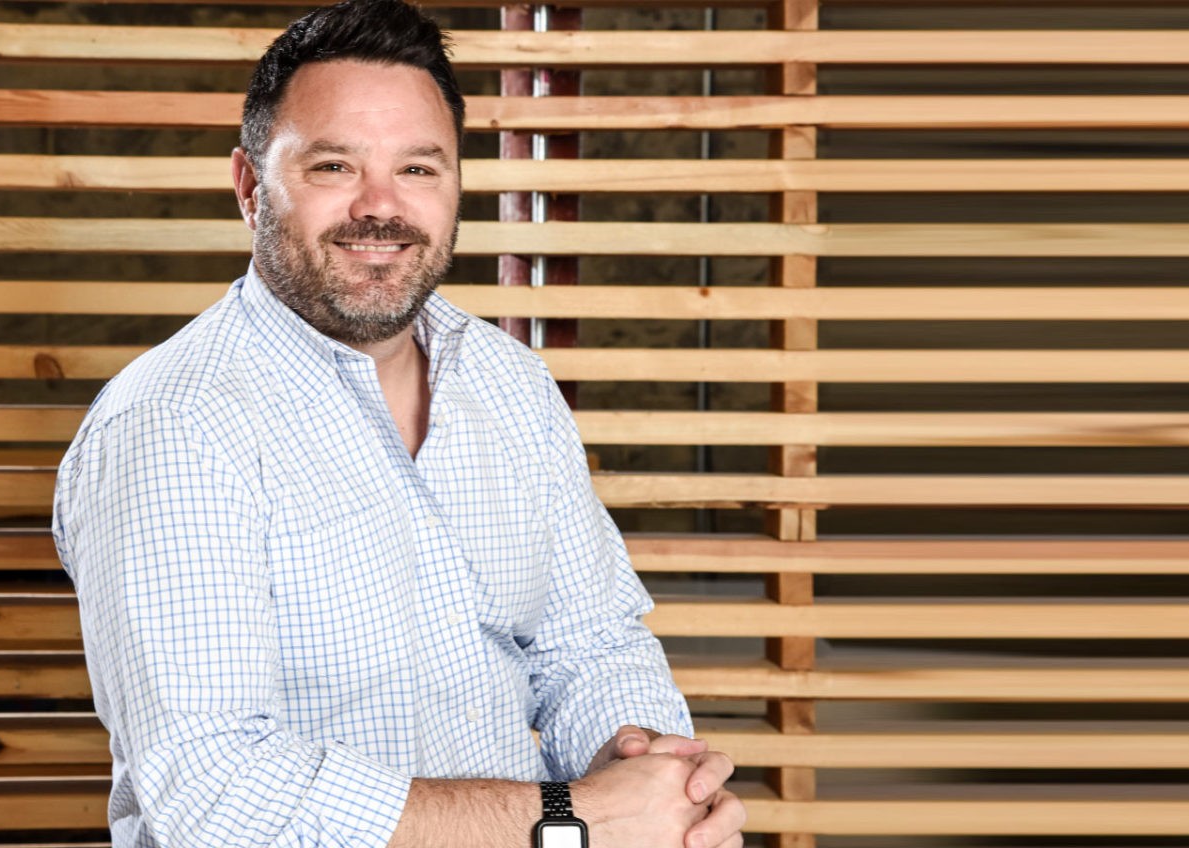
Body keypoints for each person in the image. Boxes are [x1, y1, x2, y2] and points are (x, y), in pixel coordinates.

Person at [50, 1, 744, 846]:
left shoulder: (510, 384)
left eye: (419, 169)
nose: (380, 209)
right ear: (248, 187)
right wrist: (575, 818)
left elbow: (589, 647)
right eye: (335, 166)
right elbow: (216, 792)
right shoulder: (174, 426)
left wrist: (659, 781)